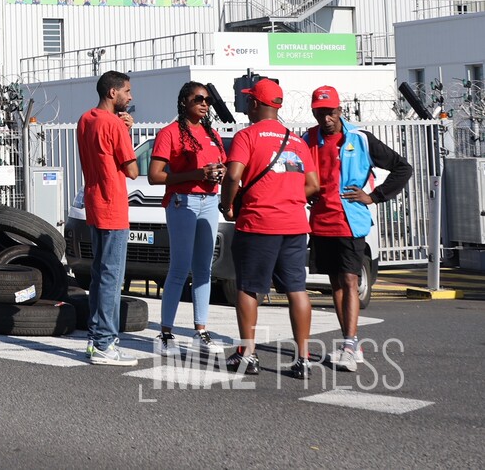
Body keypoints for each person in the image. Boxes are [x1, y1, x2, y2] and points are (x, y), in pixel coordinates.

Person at [303, 85, 412, 372]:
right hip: (321, 221)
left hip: (351, 221)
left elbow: (403, 168)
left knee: (350, 279)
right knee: (336, 283)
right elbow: (297, 174)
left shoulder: (360, 138)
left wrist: (374, 196)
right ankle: (350, 343)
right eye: (320, 113)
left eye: (330, 112)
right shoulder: (307, 139)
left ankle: (350, 346)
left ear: (340, 110)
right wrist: (305, 192)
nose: (326, 118)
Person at [220, 79, 320, 378]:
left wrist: (227, 205)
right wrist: (287, 195)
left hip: (258, 223)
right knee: (297, 289)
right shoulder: (297, 141)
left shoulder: (247, 136)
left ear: (254, 103)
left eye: (248, 100)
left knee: (249, 287)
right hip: (294, 224)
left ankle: (248, 354)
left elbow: (233, 175)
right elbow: (314, 184)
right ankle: (303, 359)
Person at [148, 81, 227, 356]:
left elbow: (223, 165)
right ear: (184, 102)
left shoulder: (212, 134)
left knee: (204, 269)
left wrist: (219, 173)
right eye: (198, 99)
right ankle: (165, 334)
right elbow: (155, 175)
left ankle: (201, 332)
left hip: (210, 201)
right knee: (180, 268)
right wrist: (196, 175)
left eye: (207, 100)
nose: (204, 104)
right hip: (183, 201)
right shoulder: (169, 133)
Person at [77, 70, 140, 367]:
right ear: (112, 93)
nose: (130, 96)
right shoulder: (114, 124)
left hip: (94, 202)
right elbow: (132, 171)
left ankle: (95, 340)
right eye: (127, 91)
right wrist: (126, 131)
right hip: (113, 205)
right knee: (112, 277)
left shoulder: (85, 119)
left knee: (100, 274)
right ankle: (104, 343)